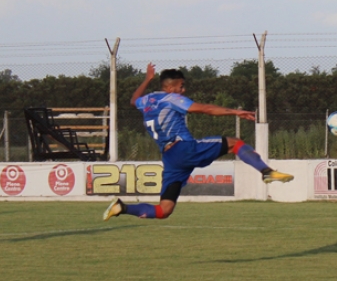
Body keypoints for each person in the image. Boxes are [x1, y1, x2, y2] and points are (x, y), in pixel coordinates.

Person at [103, 63, 293, 221]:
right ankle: (266, 171)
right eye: (181, 86)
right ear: (170, 88)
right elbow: (204, 109)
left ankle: (122, 208)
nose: (183, 90)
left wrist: (147, 79)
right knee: (235, 143)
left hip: (170, 158)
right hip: (184, 149)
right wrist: (235, 112)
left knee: (164, 210)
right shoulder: (173, 98)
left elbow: (133, 100)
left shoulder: (147, 100)